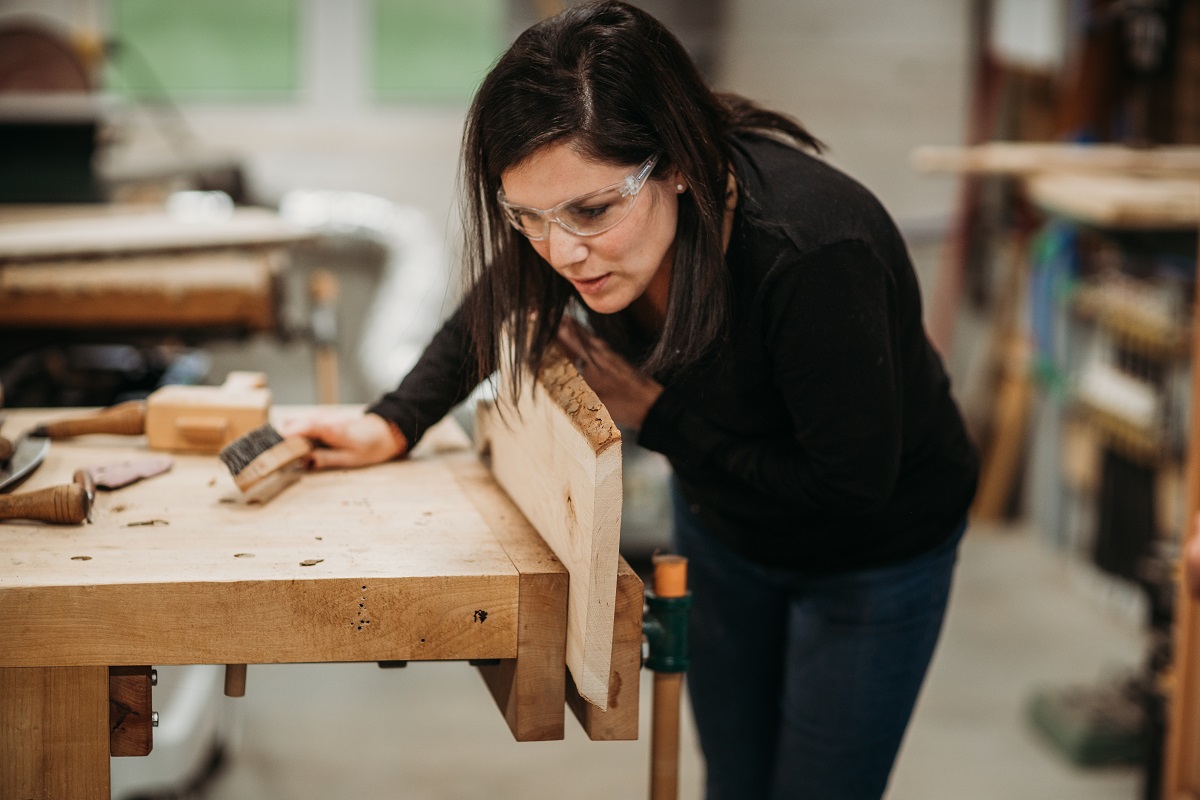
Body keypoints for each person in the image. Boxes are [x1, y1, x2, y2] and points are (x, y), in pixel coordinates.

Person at [282, 2, 979, 797]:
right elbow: (502, 293)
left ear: (676, 161)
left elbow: (850, 488)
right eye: (528, 218)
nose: (561, 252)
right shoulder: (570, 227)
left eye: (590, 212)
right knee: (736, 780)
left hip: (871, 553)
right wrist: (393, 422)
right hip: (727, 526)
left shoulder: (814, 254)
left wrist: (661, 420)